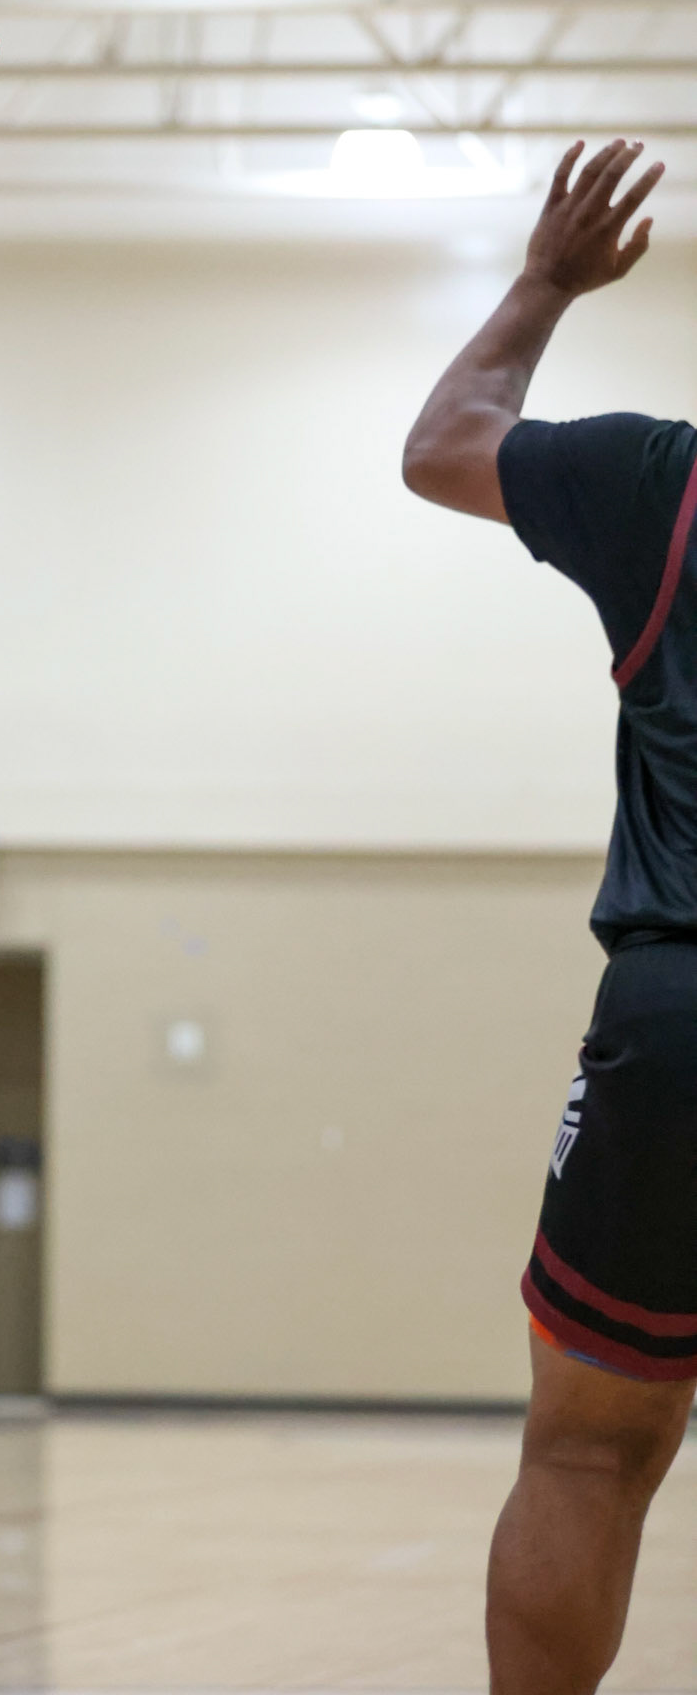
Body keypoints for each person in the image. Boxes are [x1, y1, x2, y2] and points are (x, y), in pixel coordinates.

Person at [402, 137, 692, 1695]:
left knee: (588, 1456)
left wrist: (541, 283)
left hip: (677, 1013)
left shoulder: (666, 480)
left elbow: (444, 444)